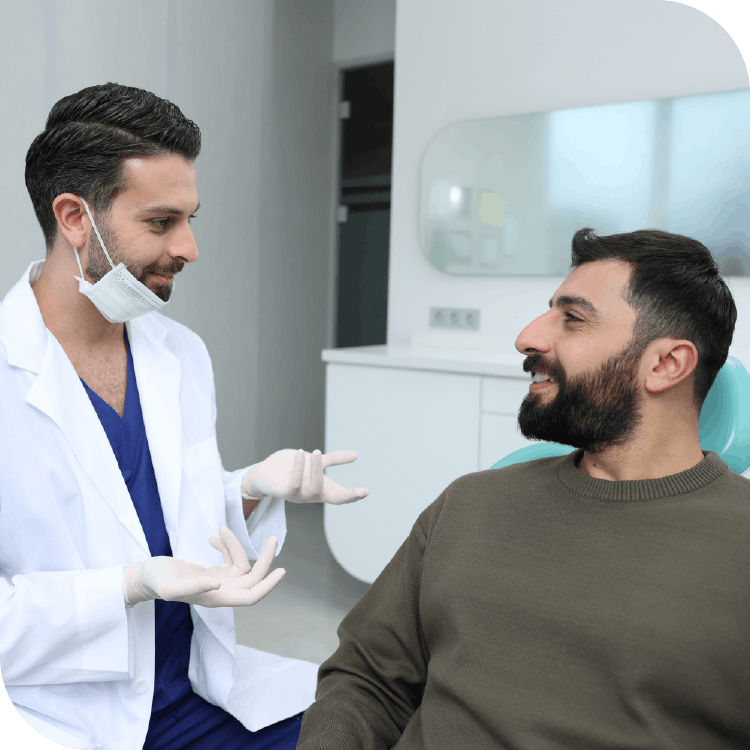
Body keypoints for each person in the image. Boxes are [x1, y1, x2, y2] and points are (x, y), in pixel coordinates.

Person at [0, 83, 369, 750]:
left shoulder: (179, 354)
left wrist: (253, 489)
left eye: (191, 219)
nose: (190, 247)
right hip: (81, 714)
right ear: (74, 217)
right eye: (162, 222)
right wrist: (132, 585)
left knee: (377, 725)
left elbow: (170, 520)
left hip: (202, 686)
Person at [297, 228, 750, 749]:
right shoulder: (469, 504)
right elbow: (366, 679)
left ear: (667, 364)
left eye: (572, 319)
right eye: (547, 312)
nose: (528, 337)